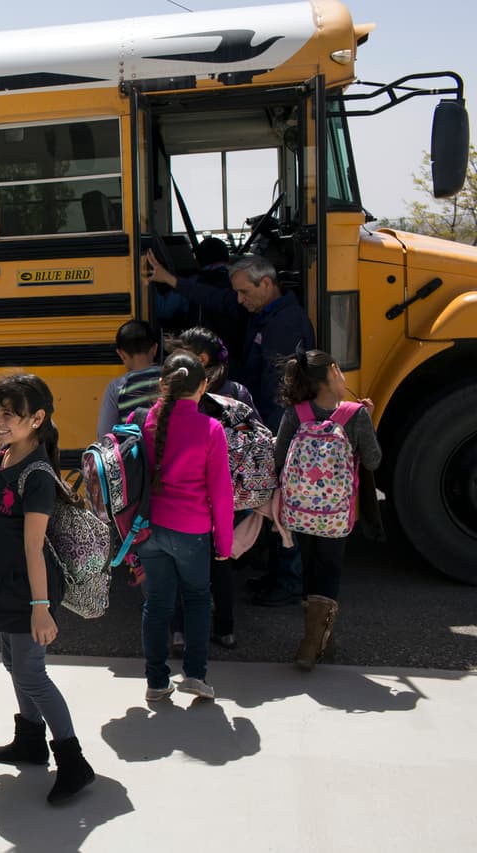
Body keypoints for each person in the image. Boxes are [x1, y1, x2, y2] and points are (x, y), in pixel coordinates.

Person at [0, 374, 95, 804]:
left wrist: (41, 609)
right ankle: (31, 740)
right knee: (14, 665)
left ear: (36, 419)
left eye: (10, 413)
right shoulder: (3, 456)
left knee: (32, 673)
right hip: (2, 584)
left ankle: (74, 761)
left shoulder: (36, 474)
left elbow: (35, 547)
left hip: (27, 590)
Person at [135, 352, 233, 703]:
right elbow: (221, 493)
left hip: (148, 529)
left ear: (163, 383)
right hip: (191, 531)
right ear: (204, 386)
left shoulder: (143, 419)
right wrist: (224, 542)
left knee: (157, 604)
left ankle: (157, 681)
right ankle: (194, 675)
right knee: (196, 600)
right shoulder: (210, 428)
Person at [274, 350, 381, 670]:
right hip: (336, 514)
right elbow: (373, 461)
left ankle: (320, 636)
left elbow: (279, 456)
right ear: (334, 372)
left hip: (300, 511)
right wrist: (368, 421)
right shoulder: (355, 415)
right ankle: (310, 644)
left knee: (309, 567)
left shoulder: (297, 413)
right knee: (330, 569)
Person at [146, 251, 313, 431]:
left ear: (265, 283)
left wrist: (270, 433)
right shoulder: (260, 309)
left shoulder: (287, 323)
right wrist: (169, 279)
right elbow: (215, 298)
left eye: (244, 292)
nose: (240, 300)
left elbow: (279, 389)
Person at [168, 327, 258, 651]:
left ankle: (180, 630)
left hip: (186, 498)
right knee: (221, 560)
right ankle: (226, 629)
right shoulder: (238, 393)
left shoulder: (178, 394)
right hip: (227, 497)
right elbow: (257, 439)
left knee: (183, 566)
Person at [96, 319, 161, 439]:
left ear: (121, 354)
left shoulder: (116, 387)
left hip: (135, 455)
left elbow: (104, 435)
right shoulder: (169, 378)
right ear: (155, 348)